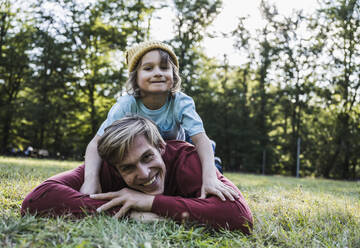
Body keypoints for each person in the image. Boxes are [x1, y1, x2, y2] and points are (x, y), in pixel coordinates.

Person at [21, 115, 253, 234]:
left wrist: (149, 202)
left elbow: (239, 216)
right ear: (114, 167)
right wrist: (131, 213)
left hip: (198, 165)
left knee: (213, 169)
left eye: (147, 157)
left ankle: (217, 163)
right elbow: (37, 199)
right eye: (128, 168)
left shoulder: (186, 158)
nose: (144, 174)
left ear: (161, 146)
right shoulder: (105, 169)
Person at [80, 40, 235, 201]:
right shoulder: (126, 105)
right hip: (145, 155)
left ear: (174, 75)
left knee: (204, 160)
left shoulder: (180, 102)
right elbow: (96, 143)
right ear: (135, 77)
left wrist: (210, 177)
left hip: (176, 149)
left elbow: (201, 140)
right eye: (148, 68)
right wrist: (91, 179)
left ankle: (214, 171)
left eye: (164, 67)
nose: (158, 73)